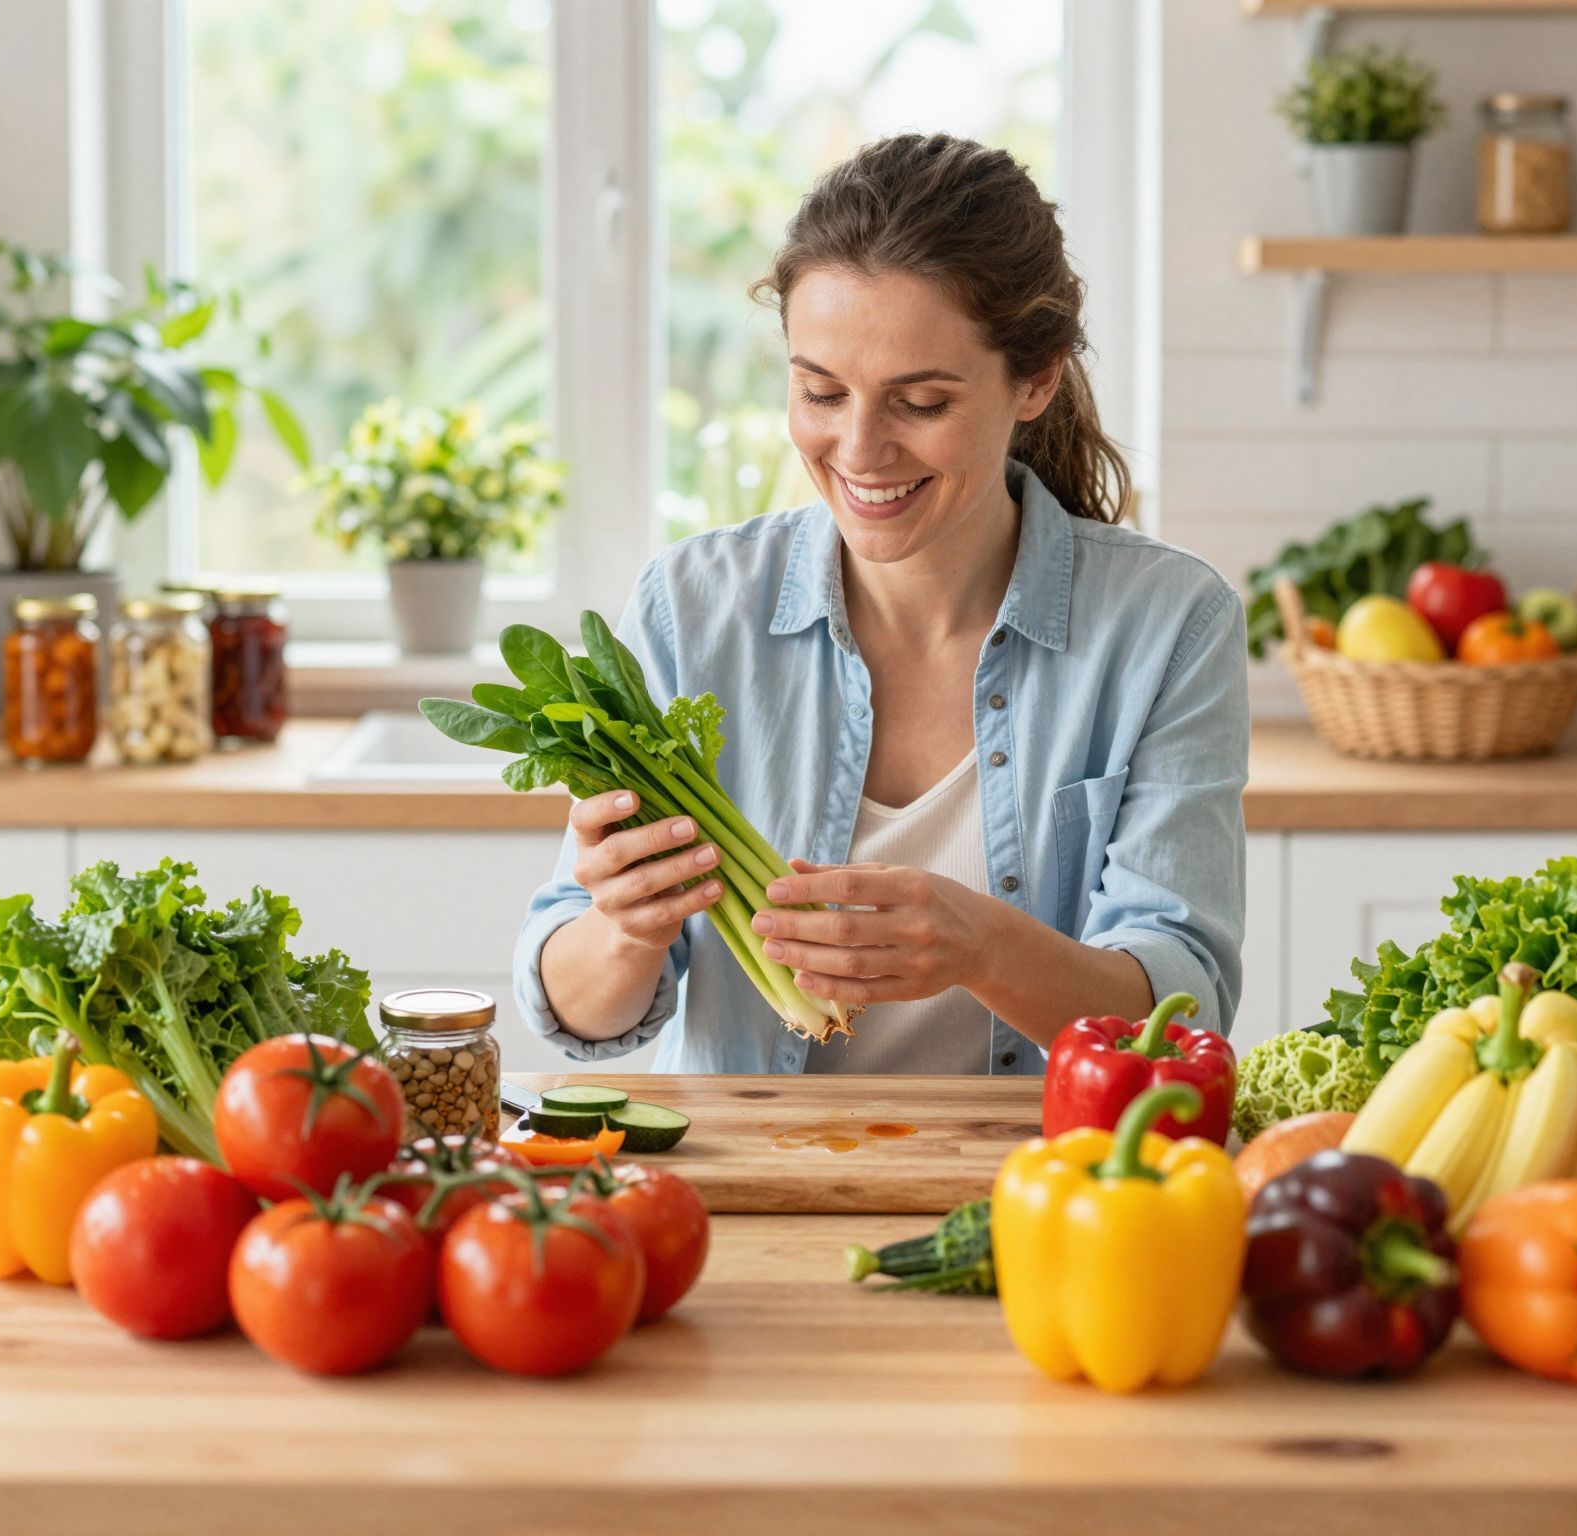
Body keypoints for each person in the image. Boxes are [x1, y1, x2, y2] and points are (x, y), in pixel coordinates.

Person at [514, 132, 1248, 1076]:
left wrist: (982, 945)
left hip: (1046, 1190)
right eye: (821, 391)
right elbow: (576, 1013)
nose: (859, 451)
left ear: (1037, 378)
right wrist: (624, 927)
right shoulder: (693, 610)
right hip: (760, 1193)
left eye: (922, 403)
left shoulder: (1168, 624)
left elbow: (1180, 1013)